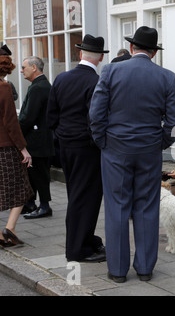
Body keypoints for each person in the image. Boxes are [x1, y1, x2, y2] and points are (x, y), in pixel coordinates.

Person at [90, 26, 175, 283]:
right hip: (149, 149)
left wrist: (103, 142)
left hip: (116, 149)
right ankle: (144, 268)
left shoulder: (111, 70)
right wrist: (160, 143)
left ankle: (118, 271)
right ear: (153, 53)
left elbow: (96, 113)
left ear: (132, 48)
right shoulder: (167, 77)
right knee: (147, 207)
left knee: (117, 206)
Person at [47, 35, 109, 263]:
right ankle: (77, 249)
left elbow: (51, 116)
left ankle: (85, 240)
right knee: (86, 198)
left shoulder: (61, 78)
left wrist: (61, 138)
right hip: (86, 148)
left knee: (77, 195)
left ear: (80, 54)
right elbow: (96, 119)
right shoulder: (96, 82)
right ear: (101, 57)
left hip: (65, 145)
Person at [0, 49, 34, 248]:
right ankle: (10, 229)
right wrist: (23, 149)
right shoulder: (4, 88)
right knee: (21, 188)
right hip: (5, 148)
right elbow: (11, 123)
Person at [19, 56, 54, 219]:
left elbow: (28, 116)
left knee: (40, 174)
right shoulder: (40, 85)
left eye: (23, 67)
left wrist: (17, 132)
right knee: (33, 173)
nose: (21, 70)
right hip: (40, 138)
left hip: (37, 139)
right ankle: (30, 203)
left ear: (34, 67)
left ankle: (45, 206)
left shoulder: (38, 87)